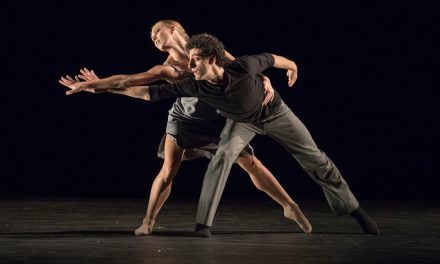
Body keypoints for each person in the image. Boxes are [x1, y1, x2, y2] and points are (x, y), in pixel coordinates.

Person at [65, 33, 380, 237]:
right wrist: (96, 86)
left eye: (196, 62)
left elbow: (272, 58)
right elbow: (146, 90)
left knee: (314, 159)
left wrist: (292, 66)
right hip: (238, 122)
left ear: (211, 59)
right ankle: (203, 226)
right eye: (154, 37)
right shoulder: (191, 82)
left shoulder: (241, 65)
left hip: (274, 113)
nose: (190, 67)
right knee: (223, 156)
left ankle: (353, 209)